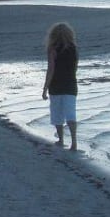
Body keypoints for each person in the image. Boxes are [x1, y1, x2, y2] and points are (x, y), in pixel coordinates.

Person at [41, 22, 79, 150]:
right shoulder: (73, 48)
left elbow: (51, 69)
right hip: (71, 84)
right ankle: (74, 142)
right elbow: (75, 68)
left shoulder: (52, 49)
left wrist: (45, 88)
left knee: (57, 113)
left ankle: (61, 140)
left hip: (56, 85)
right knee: (70, 113)